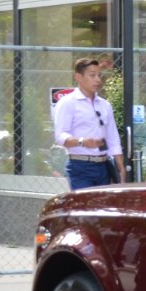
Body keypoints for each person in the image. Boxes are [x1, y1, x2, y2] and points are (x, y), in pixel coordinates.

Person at [52, 56, 124, 190]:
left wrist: (120, 167)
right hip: (80, 165)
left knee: (104, 208)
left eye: (99, 75)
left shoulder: (105, 105)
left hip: (104, 165)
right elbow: (60, 136)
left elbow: (113, 138)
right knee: (84, 208)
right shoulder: (68, 103)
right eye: (92, 75)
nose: (97, 79)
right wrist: (81, 141)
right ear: (78, 77)